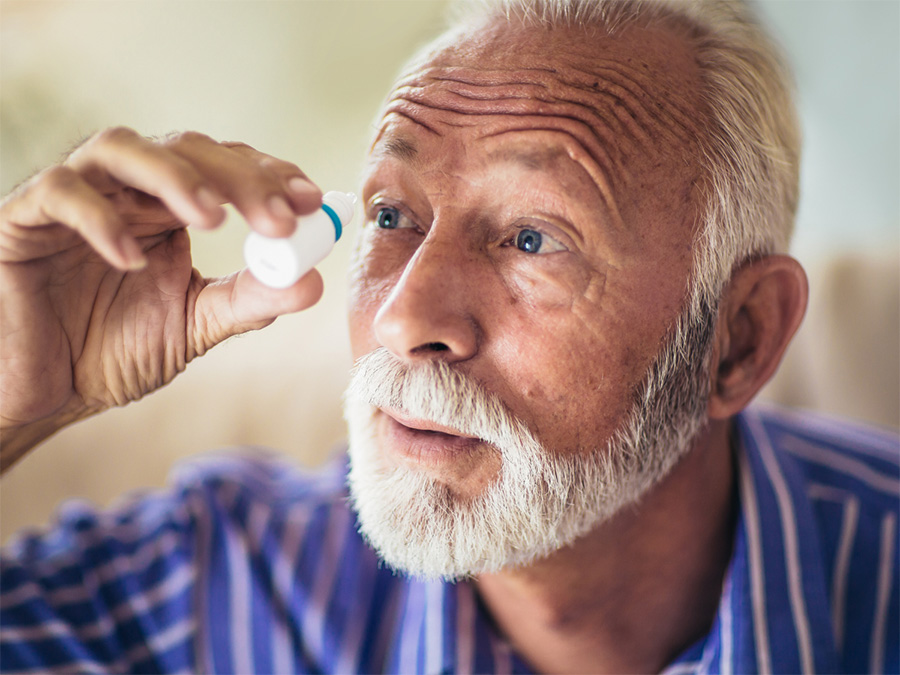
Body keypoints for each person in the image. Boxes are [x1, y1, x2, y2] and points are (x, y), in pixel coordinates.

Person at [1, 0, 897, 672]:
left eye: (532, 238)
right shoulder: (228, 582)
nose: (404, 317)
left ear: (739, 339)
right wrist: (12, 390)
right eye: (393, 213)